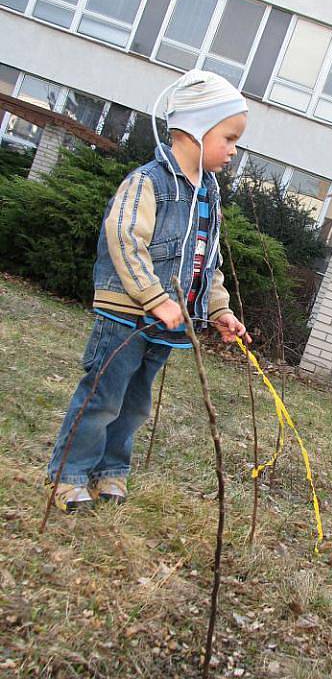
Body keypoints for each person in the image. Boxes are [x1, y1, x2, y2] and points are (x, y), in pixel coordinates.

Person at [47, 70, 251, 513]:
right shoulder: (148, 182)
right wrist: (154, 297)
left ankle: (109, 470)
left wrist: (219, 309)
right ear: (195, 130)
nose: (233, 151)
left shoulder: (207, 195)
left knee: (135, 404)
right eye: (228, 138)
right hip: (126, 315)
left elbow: (206, 259)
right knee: (103, 397)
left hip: (164, 324)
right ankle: (71, 474)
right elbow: (123, 238)